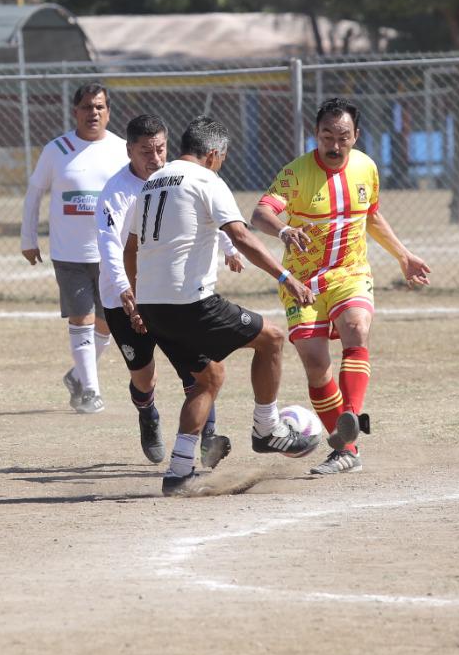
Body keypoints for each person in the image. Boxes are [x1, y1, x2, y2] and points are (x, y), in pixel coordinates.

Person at [120, 116, 321, 496]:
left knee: (207, 379)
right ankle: (267, 429)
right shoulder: (206, 180)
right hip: (190, 302)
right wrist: (286, 278)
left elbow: (130, 248)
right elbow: (240, 236)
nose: (221, 165)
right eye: (222, 159)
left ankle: (179, 472)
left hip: (154, 305)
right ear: (213, 154)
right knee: (272, 339)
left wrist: (137, 297)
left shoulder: (150, 184)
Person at [251, 97, 430, 475]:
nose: (334, 145)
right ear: (315, 134)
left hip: (350, 273)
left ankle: (350, 415)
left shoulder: (366, 167)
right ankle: (347, 450)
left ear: (356, 136)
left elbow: (372, 216)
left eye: (343, 137)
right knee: (316, 364)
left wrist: (403, 255)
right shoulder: (295, 173)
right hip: (303, 282)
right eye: (327, 136)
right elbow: (260, 213)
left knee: (356, 327)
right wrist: (283, 230)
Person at [96, 113, 244, 465]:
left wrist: (229, 247)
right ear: (129, 151)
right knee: (144, 378)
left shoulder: (176, 177)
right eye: (145, 151)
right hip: (122, 297)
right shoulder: (115, 192)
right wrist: (125, 290)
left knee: (199, 372)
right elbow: (111, 246)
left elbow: (205, 213)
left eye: (160, 149)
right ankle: (148, 413)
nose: (155, 158)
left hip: (170, 293)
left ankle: (208, 439)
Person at [20, 82, 127, 413]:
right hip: (69, 253)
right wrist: (28, 239)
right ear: (75, 112)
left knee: (109, 323)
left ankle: (78, 375)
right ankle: (91, 391)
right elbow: (34, 193)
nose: (93, 113)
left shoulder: (122, 149)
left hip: (111, 252)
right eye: (86, 107)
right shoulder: (57, 149)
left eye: (99, 107)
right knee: (83, 318)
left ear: (108, 112)